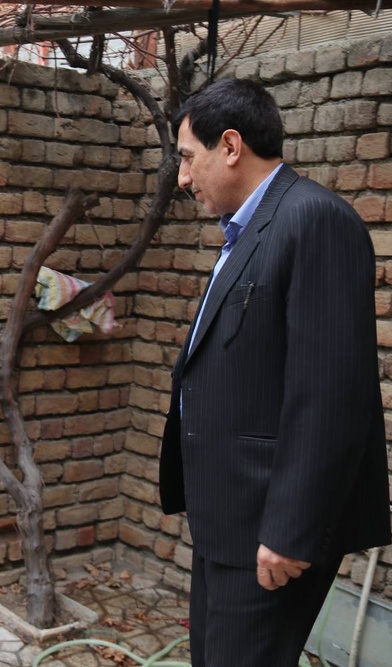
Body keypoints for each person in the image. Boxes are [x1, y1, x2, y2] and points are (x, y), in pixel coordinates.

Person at [160, 78, 391, 666]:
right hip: (228, 517)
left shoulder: (315, 221)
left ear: (230, 146)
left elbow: (331, 394)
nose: (183, 178)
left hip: (270, 528)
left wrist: (292, 529)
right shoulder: (246, 230)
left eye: (188, 157)